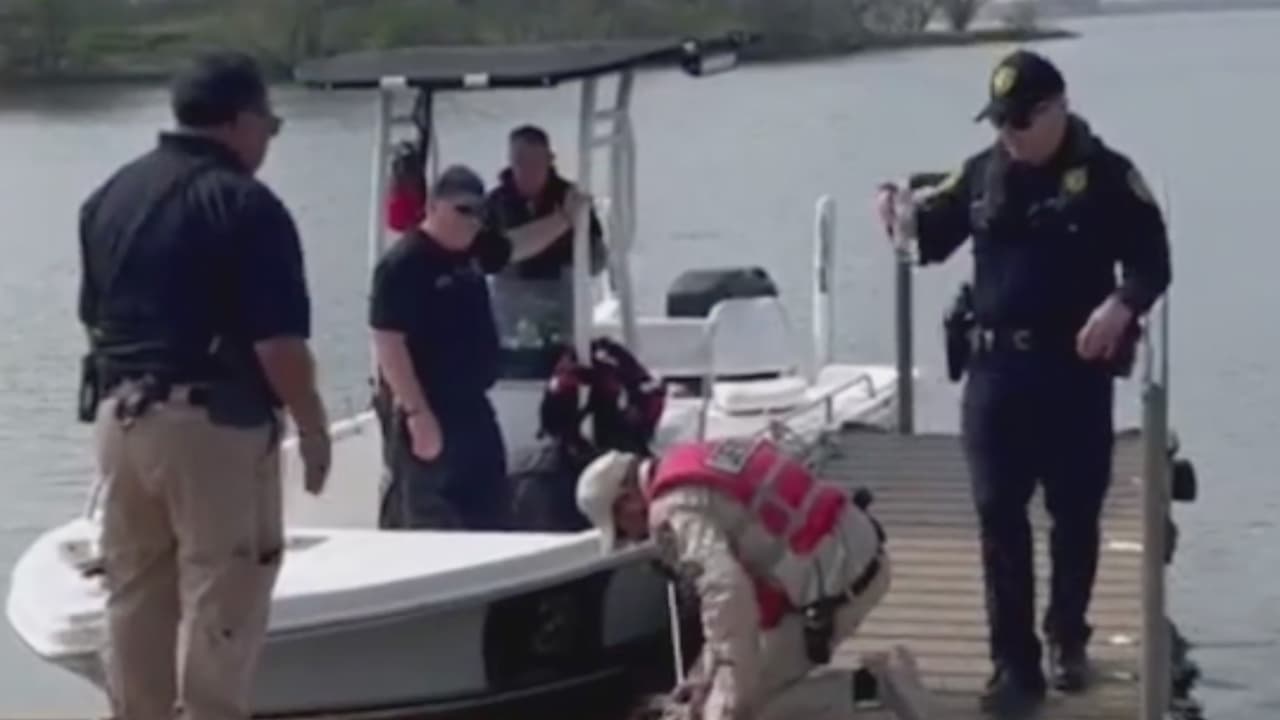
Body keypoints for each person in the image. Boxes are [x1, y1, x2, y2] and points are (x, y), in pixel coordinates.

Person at [875, 49, 1172, 716]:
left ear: (1056, 108)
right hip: (996, 373)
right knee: (997, 516)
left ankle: (1067, 635)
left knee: (1075, 514)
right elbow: (929, 237)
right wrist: (898, 218)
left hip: (1073, 373)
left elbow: (1153, 261)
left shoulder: (1109, 176)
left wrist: (1122, 304)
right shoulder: (983, 173)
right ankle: (1013, 665)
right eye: (999, 122)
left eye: (1020, 122)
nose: (1008, 135)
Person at [77, 51, 331, 720]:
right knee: (225, 593)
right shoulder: (245, 205)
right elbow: (278, 346)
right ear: (240, 122)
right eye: (270, 127)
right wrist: (311, 426)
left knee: (135, 591)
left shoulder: (109, 197)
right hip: (212, 425)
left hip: (119, 416)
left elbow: (92, 317)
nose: (268, 141)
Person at [576, 436, 891, 720]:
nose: (632, 539)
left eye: (621, 531)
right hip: (854, 549)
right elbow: (735, 596)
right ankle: (871, 688)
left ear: (627, 502)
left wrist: (728, 692)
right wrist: (702, 675)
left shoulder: (672, 513)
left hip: (841, 586)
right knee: (729, 690)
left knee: (743, 708)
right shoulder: (692, 458)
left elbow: (726, 592)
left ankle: (875, 690)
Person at [482, 124, 607, 346]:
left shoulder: (571, 199)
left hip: (560, 303)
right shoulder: (495, 204)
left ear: (550, 161)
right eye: (520, 162)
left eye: (535, 163)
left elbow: (596, 262)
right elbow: (491, 257)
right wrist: (561, 221)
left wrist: (581, 228)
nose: (527, 172)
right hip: (510, 307)